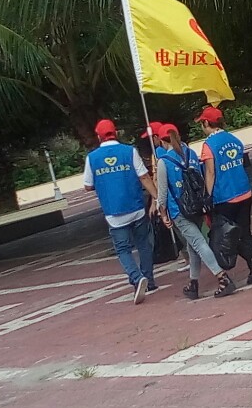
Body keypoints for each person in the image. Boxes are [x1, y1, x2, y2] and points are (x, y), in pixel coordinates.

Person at [155, 124, 237, 299]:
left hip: (179, 210)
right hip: (197, 206)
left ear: (162, 141)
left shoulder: (164, 161)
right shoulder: (191, 153)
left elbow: (162, 194)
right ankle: (193, 283)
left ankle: (222, 277)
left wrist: (163, 214)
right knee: (193, 245)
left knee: (198, 243)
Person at [83, 119, 160, 304]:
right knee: (144, 244)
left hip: (113, 211)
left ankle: (136, 277)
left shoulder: (92, 158)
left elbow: (88, 185)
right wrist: (157, 197)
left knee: (123, 249)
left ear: (99, 136)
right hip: (136, 207)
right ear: (115, 133)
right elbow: (144, 177)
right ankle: (148, 279)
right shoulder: (129, 151)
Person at [196, 106, 252, 284]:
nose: (201, 127)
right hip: (244, 191)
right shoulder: (234, 139)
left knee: (227, 234)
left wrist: (208, 196)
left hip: (224, 196)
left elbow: (210, 172)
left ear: (206, 123)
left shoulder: (209, 145)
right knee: (245, 231)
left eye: (202, 123)